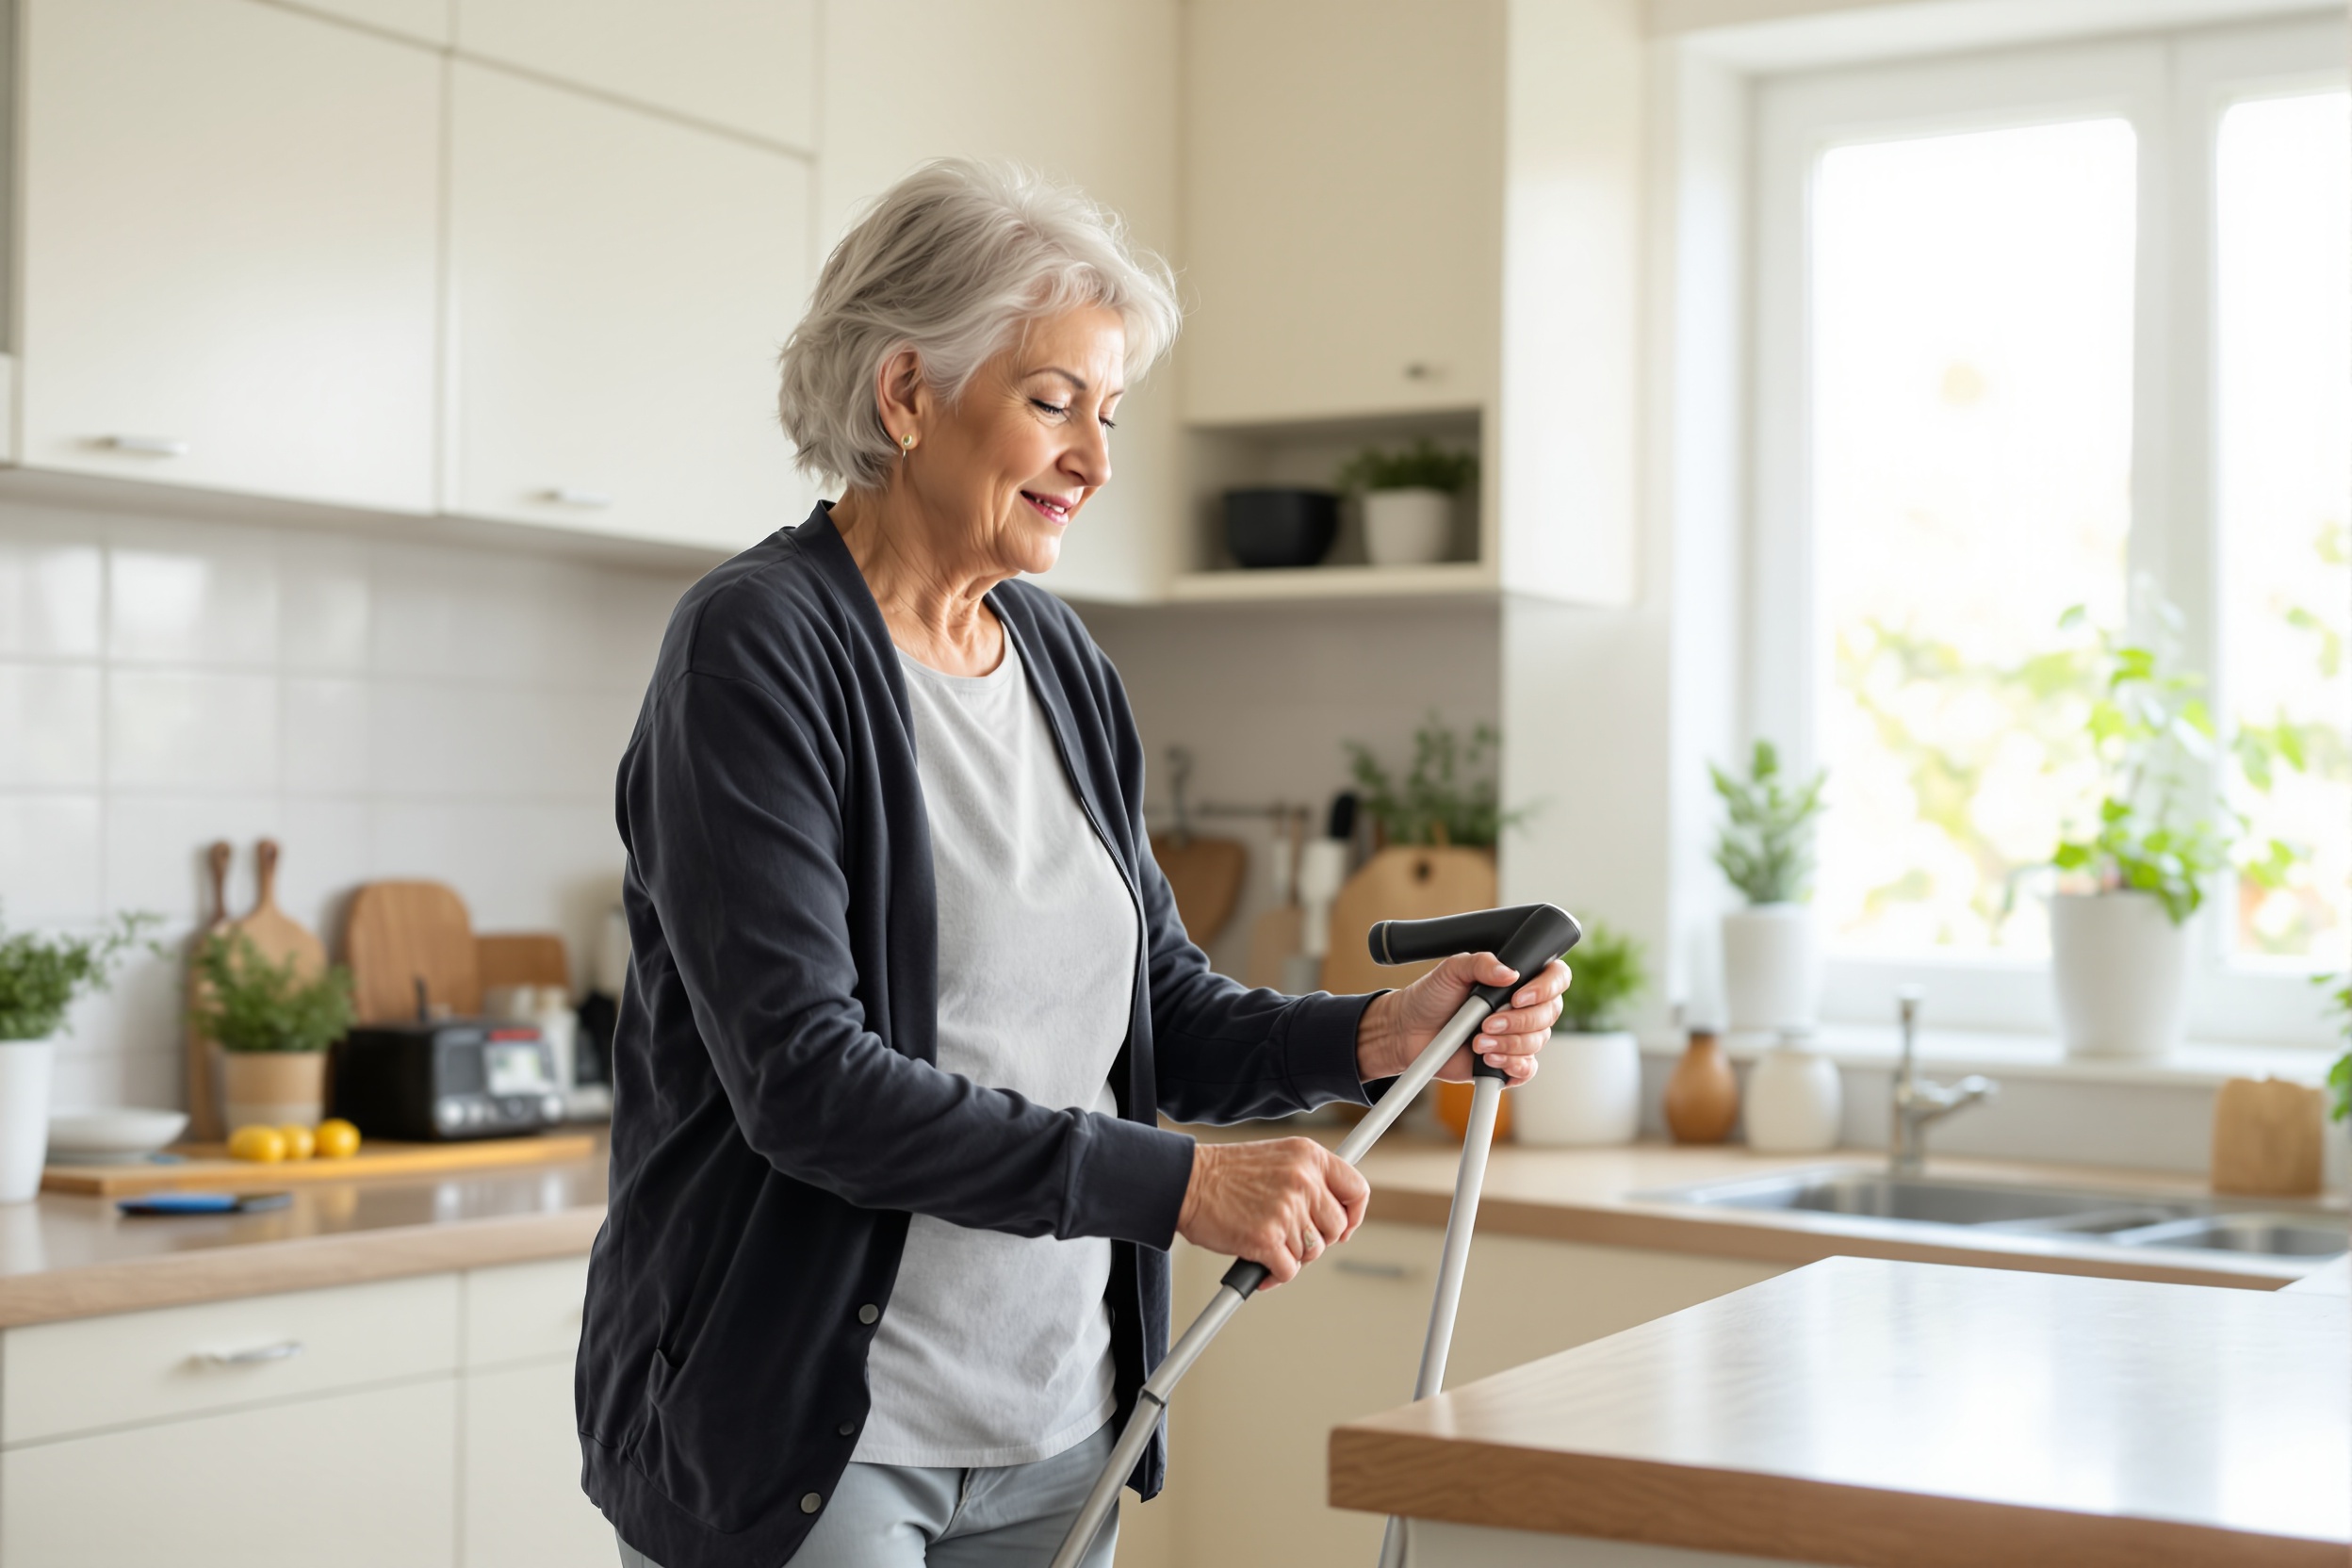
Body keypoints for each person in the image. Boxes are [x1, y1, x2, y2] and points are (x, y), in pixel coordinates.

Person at [577, 158, 1570, 1568]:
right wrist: (1180, 1187)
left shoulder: (1060, 663)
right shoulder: (759, 647)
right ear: (907, 394)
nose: (1096, 462)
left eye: (1109, 415)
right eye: (1053, 403)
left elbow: (1148, 1009)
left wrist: (1379, 1034)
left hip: (1056, 1424)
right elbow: (808, 1087)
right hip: (816, 1444)